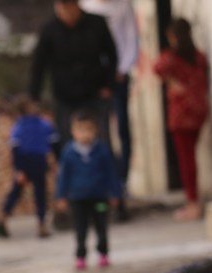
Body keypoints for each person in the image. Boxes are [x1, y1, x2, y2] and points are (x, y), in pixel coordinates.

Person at [30, 0, 118, 155]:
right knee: (67, 144)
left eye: (69, 6)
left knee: (101, 142)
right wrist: (34, 95)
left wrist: (108, 85)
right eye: (61, 7)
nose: (66, 12)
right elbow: (39, 65)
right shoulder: (50, 30)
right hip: (65, 96)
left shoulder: (96, 24)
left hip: (94, 92)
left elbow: (111, 55)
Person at [81, 0, 138, 221]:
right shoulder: (86, 7)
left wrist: (122, 69)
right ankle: (102, 185)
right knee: (99, 132)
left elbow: (130, 38)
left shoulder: (123, 5)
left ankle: (121, 181)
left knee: (122, 128)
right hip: (96, 79)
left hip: (118, 76)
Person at [154, 18, 210, 222]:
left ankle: (192, 203)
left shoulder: (171, 58)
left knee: (186, 161)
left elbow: (157, 67)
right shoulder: (199, 56)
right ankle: (193, 200)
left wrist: (171, 81)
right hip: (199, 110)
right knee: (191, 159)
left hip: (181, 114)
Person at [55, 112, 122, 270]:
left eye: (88, 129)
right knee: (80, 228)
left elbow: (111, 173)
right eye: (80, 130)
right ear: (73, 131)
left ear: (95, 131)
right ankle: (80, 256)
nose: (85, 134)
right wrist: (61, 196)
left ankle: (103, 253)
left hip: (99, 197)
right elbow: (63, 176)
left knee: (101, 226)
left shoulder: (102, 150)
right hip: (78, 198)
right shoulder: (69, 153)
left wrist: (115, 193)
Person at [0, 95, 58, 238]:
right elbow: (55, 144)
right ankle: (4, 217)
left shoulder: (25, 126)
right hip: (33, 162)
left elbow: (15, 150)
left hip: (32, 162)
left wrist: (18, 169)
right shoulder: (33, 125)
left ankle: (39, 223)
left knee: (36, 193)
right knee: (34, 194)